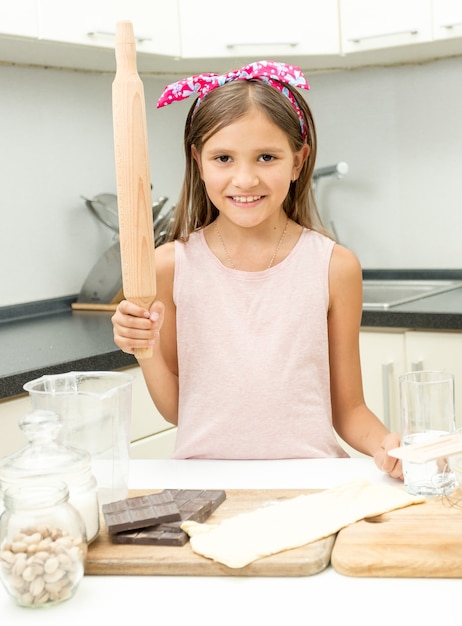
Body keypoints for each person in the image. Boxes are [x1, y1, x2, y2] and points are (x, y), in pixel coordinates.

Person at [111, 60, 402, 479]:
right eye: (223, 158)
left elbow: (349, 410)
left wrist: (387, 446)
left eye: (266, 157)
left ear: (298, 161)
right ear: (198, 161)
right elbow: (180, 410)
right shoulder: (167, 267)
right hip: (206, 487)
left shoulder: (334, 267)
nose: (244, 179)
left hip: (314, 484)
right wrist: (144, 348)